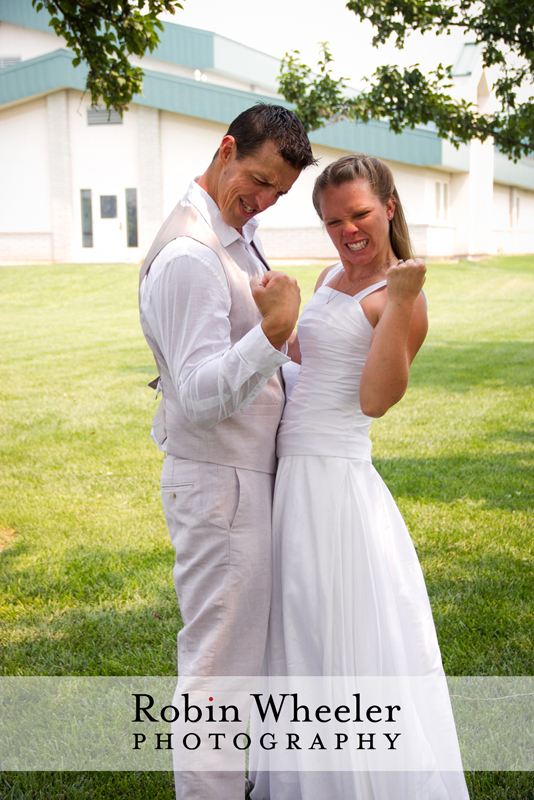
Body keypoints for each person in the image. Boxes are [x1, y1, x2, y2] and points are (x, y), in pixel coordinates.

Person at [250, 154, 469, 799]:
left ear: (390, 207)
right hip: (289, 477)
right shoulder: (328, 278)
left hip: (334, 485)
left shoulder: (401, 298)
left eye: (361, 214)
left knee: (338, 632)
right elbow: (302, 365)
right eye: (333, 221)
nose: (348, 231)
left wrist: (400, 299)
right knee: (296, 630)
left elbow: (375, 398)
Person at [138, 104, 316, 800]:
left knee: (239, 663)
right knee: (218, 672)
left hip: (242, 480)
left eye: (278, 192)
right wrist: (271, 333)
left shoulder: (234, 232)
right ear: (225, 147)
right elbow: (198, 394)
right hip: (220, 488)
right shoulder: (190, 255)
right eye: (258, 180)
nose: (263, 200)